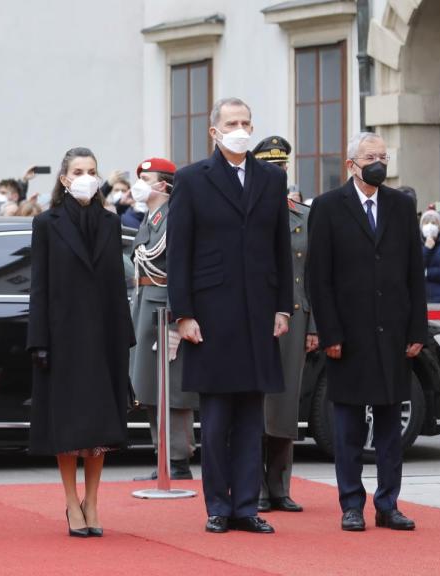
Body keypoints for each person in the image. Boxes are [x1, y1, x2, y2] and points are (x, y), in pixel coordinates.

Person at [167, 98, 292, 535]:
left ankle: (246, 505)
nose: (240, 129)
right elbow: (178, 252)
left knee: (251, 417)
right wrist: (183, 314)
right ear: (214, 131)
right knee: (217, 418)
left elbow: (280, 247)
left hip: (258, 310)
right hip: (212, 314)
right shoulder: (191, 180)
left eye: (246, 122)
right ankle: (217, 506)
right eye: (231, 123)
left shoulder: (271, 179)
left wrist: (282, 305)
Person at [306, 131, 427, 532]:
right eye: (370, 156)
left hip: (393, 333)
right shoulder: (327, 208)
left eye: (382, 155)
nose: (378, 162)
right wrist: (330, 334)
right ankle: (351, 504)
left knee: (391, 425)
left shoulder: (400, 205)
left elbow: (414, 274)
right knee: (349, 427)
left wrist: (417, 330)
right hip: (349, 335)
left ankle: (388, 503)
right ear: (351, 164)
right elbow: (318, 279)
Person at [27, 147, 134, 538]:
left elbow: (116, 286)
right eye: (78, 170)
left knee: (101, 425)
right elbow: (39, 287)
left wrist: (125, 336)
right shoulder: (46, 223)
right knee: (69, 425)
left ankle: (93, 500)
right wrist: (38, 340)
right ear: (64, 178)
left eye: (92, 170)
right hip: (64, 337)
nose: (86, 175)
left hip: (104, 336)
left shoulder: (110, 221)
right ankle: (71, 501)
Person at [252, 136, 318, 515]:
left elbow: (314, 275)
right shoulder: (247, 212)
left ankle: (280, 485)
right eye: (270, 166)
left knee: (284, 405)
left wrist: (315, 325)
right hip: (254, 318)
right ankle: (254, 485)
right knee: (256, 404)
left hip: (294, 317)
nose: (278, 173)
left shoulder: (302, 215)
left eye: (282, 167)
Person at [127, 157, 198, 481]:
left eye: (147, 177)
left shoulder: (174, 218)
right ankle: (163, 457)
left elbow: (179, 271)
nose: (140, 182)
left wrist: (175, 320)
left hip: (165, 310)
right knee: (150, 387)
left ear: (163, 184)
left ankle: (179, 459)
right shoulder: (151, 219)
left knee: (173, 389)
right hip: (145, 306)